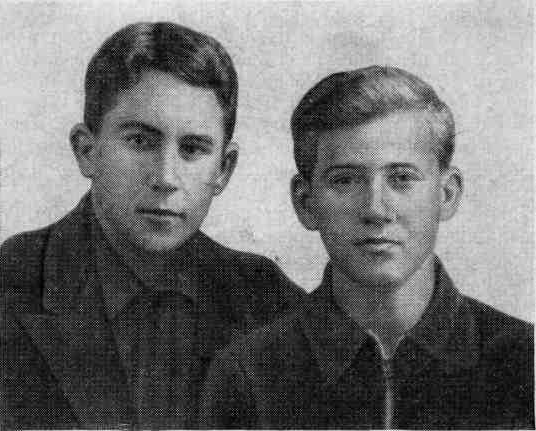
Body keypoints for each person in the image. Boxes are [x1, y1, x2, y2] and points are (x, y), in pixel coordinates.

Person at [0, 21, 303, 430]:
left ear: (223, 170)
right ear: (87, 151)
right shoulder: (12, 282)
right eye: (140, 141)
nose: (165, 177)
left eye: (192, 149)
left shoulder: (267, 301)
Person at [200, 65, 534, 429]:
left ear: (447, 194)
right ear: (305, 202)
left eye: (401, 178)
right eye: (345, 180)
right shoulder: (248, 374)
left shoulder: (523, 360)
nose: (376, 209)